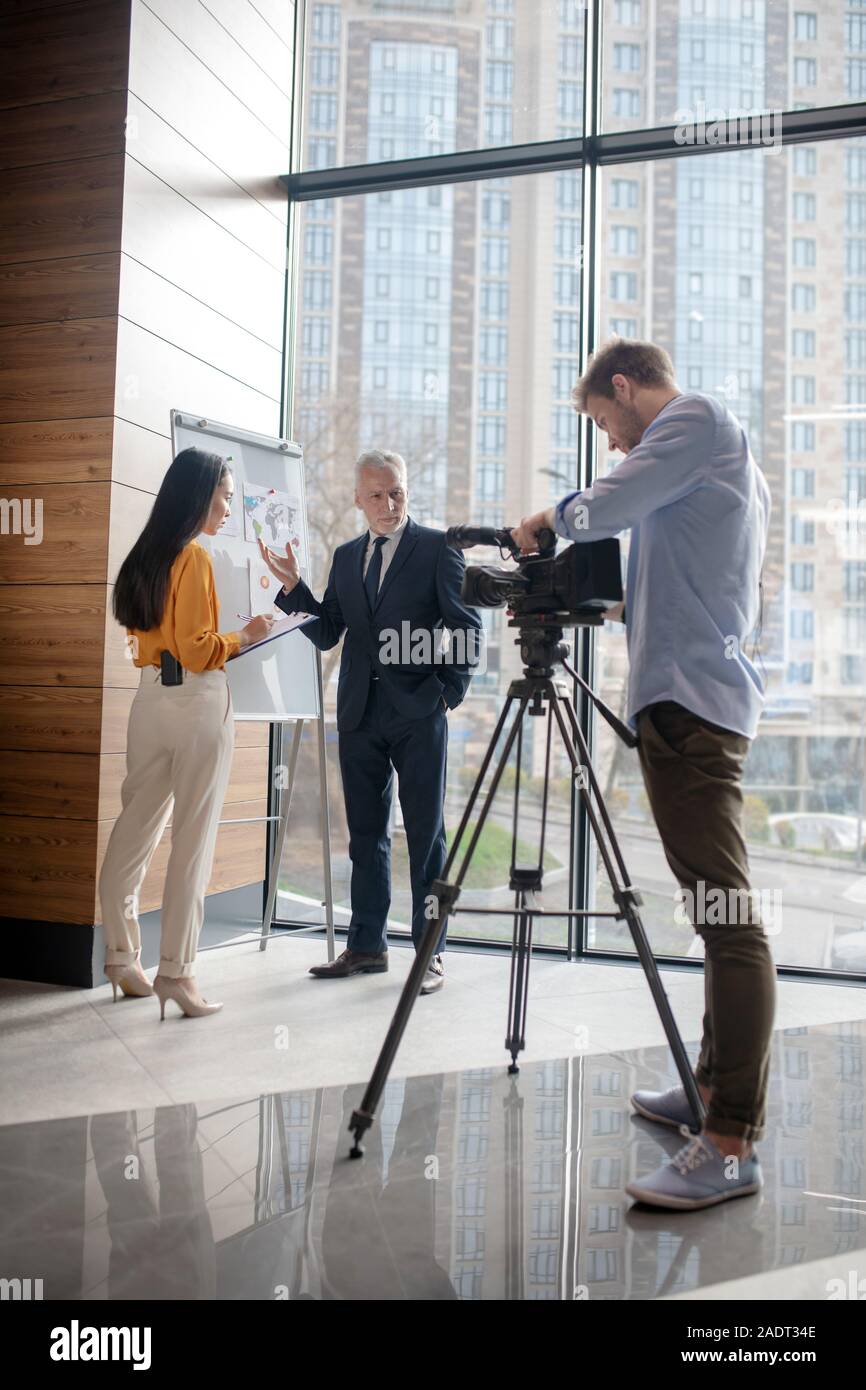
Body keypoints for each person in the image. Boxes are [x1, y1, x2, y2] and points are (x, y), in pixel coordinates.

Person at [513, 338, 776, 1212]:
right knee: (712, 912)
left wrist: (550, 519)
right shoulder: (699, 460)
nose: (613, 446)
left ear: (624, 388)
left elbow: (603, 509)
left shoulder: (696, 420)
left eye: (604, 424)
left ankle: (731, 1139)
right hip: (686, 700)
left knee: (728, 915)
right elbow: (693, 575)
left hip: (695, 708)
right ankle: (708, 1091)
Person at [258, 449, 482, 993]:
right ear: (358, 499)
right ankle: (366, 946)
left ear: (406, 491)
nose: (388, 503)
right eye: (376, 495)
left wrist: (447, 692)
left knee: (426, 836)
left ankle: (430, 953)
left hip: (418, 713)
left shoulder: (436, 550)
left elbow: (467, 625)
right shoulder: (345, 556)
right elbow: (330, 629)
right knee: (366, 835)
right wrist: (293, 590)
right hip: (358, 712)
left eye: (397, 492)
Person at [99, 448, 273, 1019]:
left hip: (148, 700)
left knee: (135, 830)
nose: (227, 507)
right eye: (224, 495)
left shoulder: (145, 554)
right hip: (197, 702)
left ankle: (122, 958)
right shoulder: (193, 557)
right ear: (199, 495)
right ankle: (178, 973)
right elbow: (199, 650)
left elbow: (144, 641)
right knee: (192, 842)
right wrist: (245, 636)